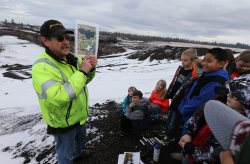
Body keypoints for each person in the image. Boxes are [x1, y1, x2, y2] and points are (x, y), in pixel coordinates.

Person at [31, 20, 98, 164]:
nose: (66, 42)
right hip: (63, 122)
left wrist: (90, 69)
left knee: (79, 141)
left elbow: (83, 81)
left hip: (79, 115)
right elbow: (60, 96)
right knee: (65, 154)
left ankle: (78, 154)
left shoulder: (71, 58)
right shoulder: (41, 67)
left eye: (67, 38)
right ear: (45, 41)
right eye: (60, 39)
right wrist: (82, 72)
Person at [177, 74, 250, 164]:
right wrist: (189, 132)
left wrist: (192, 150)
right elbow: (198, 114)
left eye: (235, 96)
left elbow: (222, 154)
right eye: (229, 90)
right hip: (191, 149)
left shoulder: (243, 129)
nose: (228, 95)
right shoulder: (219, 99)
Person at [159, 48, 199, 144]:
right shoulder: (180, 69)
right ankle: (167, 130)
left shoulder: (193, 75)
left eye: (185, 60)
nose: (182, 62)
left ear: (193, 61)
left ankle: (170, 136)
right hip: (175, 98)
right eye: (181, 59)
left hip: (181, 101)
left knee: (175, 120)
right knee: (170, 116)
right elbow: (175, 82)